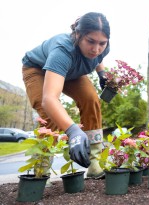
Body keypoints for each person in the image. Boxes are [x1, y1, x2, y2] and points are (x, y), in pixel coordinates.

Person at [21, 12, 110, 179]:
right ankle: (41, 169)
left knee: (91, 99)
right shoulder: (62, 50)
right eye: (90, 41)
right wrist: (73, 130)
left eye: (102, 43)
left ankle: (94, 162)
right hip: (38, 69)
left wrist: (102, 74)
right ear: (77, 35)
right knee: (48, 114)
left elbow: (99, 58)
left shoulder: (102, 47)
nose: (96, 49)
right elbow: (50, 99)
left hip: (71, 73)